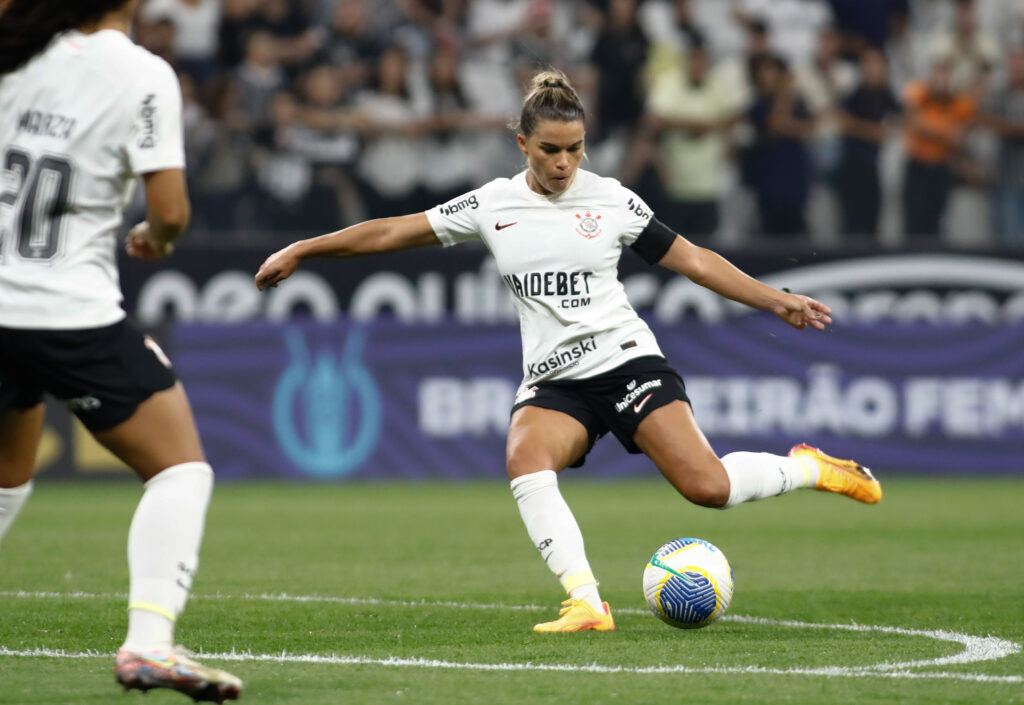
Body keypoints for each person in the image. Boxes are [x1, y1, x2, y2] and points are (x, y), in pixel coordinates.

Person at [255, 69, 882, 633]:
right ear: (522, 144)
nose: (564, 163)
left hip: (625, 361)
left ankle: (809, 467)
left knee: (708, 487)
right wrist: (304, 249)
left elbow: (693, 260)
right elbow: (393, 230)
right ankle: (586, 603)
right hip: (556, 379)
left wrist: (774, 299)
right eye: (550, 150)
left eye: (575, 149)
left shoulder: (611, 200)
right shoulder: (493, 204)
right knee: (525, 458)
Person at [0, 0, 242, 700]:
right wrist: (156, 239)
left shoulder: (16, 56)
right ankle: (149, 645)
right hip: (64, 311)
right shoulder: (143, 73)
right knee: (179, 469)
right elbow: (169, 211)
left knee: (7, 477)